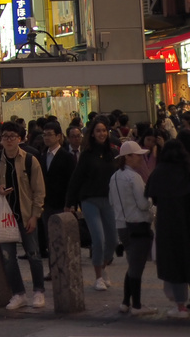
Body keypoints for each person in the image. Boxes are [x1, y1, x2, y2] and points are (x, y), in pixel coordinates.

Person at [0, 121, 46, 311]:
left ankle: (39, 291)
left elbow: (39, 191)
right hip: (4, 218)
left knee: (34, 254)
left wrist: (35, 215)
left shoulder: (29, 160)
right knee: (8, 257)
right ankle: (18, 294)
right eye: (5, 136)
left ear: (20, 139)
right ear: (0, 139)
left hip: (25, 216)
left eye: (13, 136)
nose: (9, 140)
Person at [68, 116, 119, 291]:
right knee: (98, 238)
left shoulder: (112, 153)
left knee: (112, 239)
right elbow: (76, 179)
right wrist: (70, 203)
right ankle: (98, 276)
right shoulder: (87, 155)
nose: (102, 133)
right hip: (89, 200)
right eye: (98, 130)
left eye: (104, 130)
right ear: (92, 133)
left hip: (108, 200)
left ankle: (104, 267)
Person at [110, 139, 155, 316]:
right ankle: (136, 305)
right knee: (137, 266)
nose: (140, 159)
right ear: (128, 157)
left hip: (121, 226)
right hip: (137, 225)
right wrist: (152, 203)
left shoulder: (114, 177)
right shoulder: (133, 177)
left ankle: (125, 302)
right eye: (138, 155)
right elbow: (143, 204)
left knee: (132, 264)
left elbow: (112, 201)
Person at [147, 137, 190, 318]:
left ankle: (181, 307)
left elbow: (150, 194)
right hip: (188, 224)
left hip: (169, 227)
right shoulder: (188, 170)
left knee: (175, 266)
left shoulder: (160, 172)